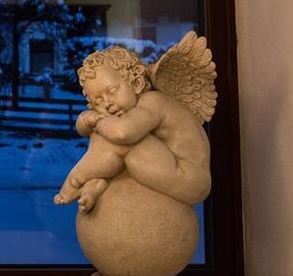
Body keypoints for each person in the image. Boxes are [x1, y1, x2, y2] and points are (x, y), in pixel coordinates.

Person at [54, 46, 211, 212]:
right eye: (98, 102)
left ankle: (77, 180)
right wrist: (88, 119)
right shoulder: (134, 110)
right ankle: (95, 185)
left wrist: (97, 122)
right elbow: (84, 129)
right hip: (174, 171)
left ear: (136, 84)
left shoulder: (154, 101)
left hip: (189, 178)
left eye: (112, 91)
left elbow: (123, 133)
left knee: (118, 139)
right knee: (107, 130)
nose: (107, 103)